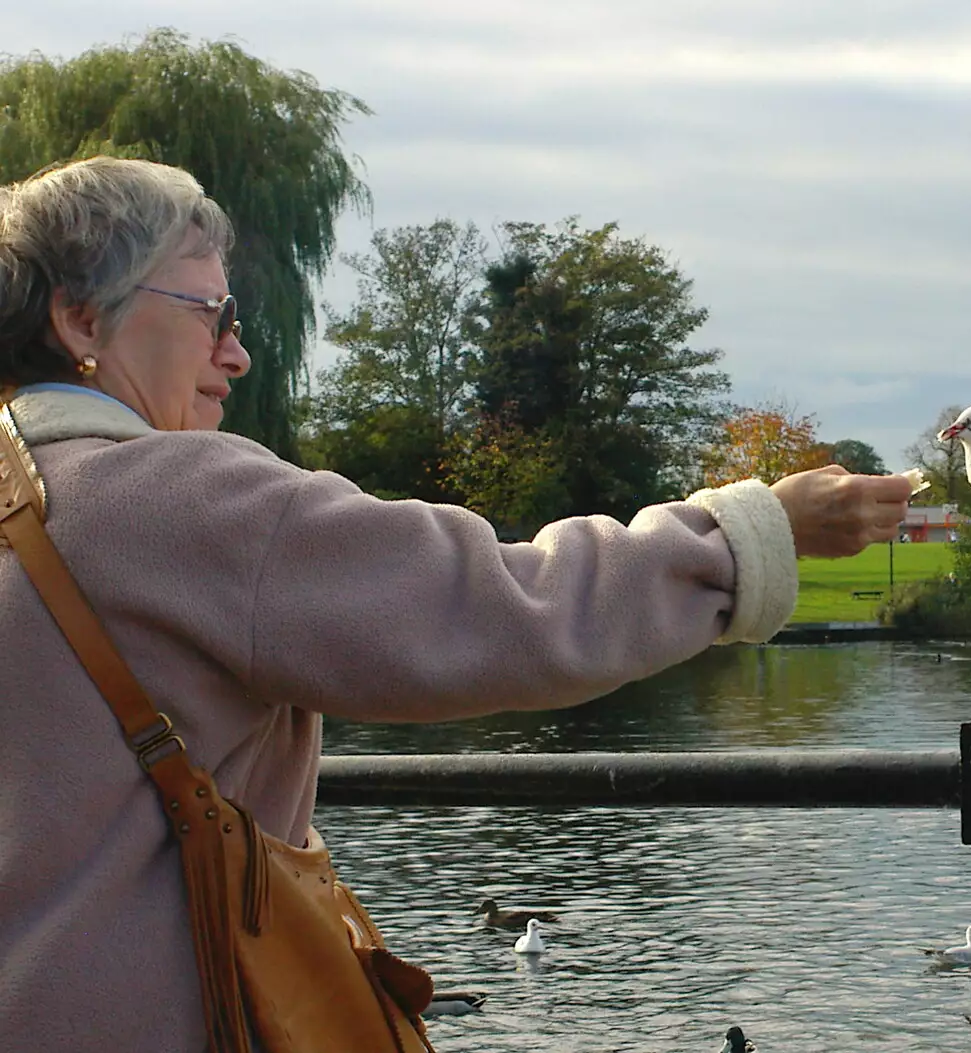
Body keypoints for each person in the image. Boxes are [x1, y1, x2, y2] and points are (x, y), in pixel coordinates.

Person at [0, 157, 913, 1052]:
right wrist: (750, 534)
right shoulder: (171, 500)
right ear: (82, 318)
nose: (235, 352)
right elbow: (510, 610)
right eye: (211, 312)